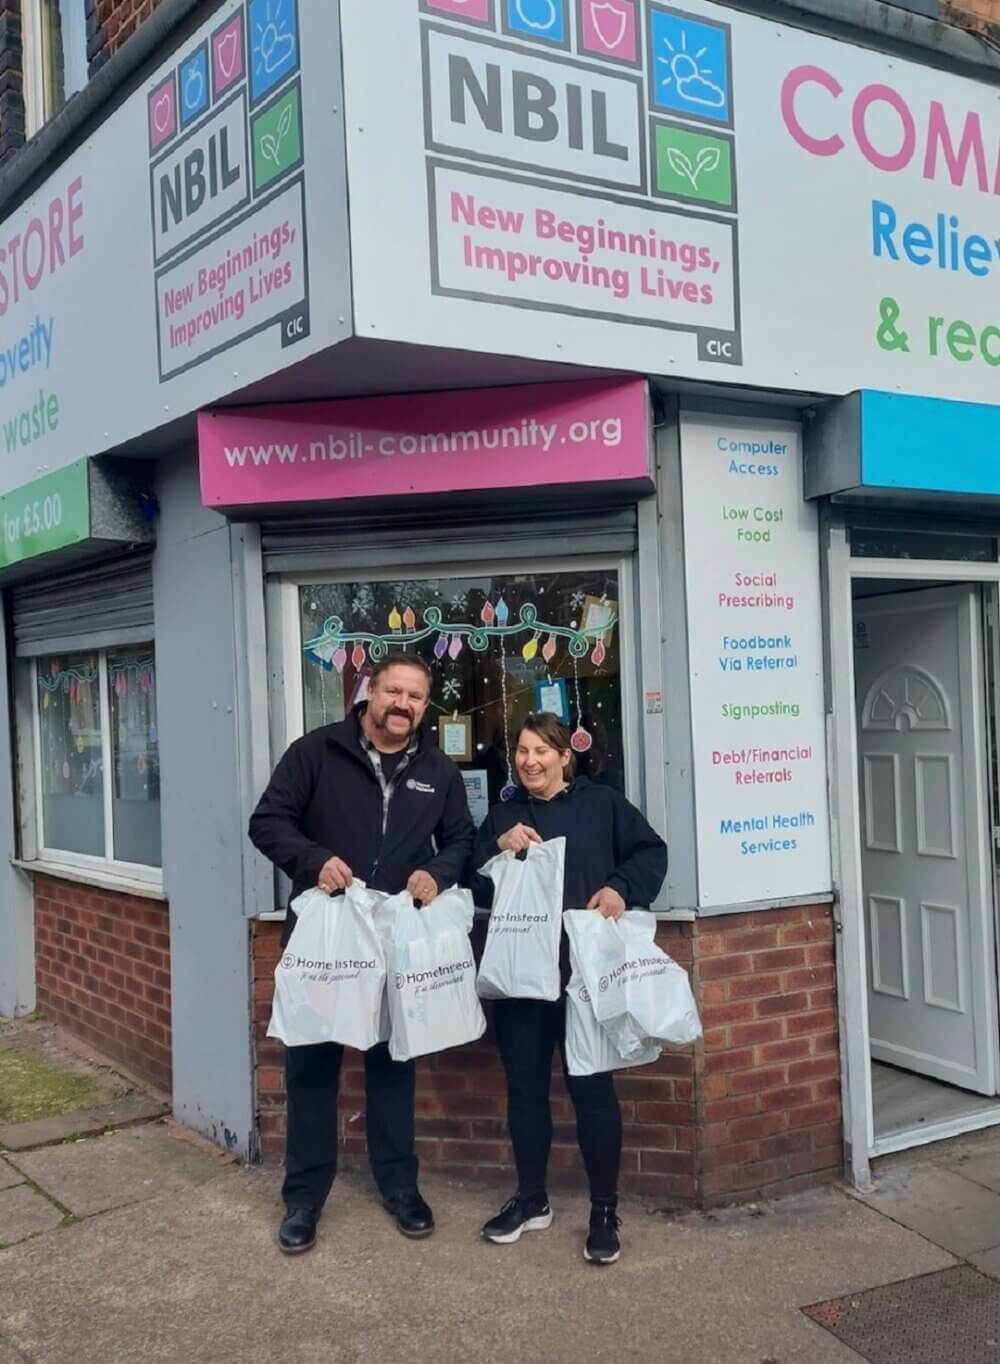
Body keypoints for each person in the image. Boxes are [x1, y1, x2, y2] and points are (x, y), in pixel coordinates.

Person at [249, 652, 475, 1255]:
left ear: (426, 707)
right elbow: (266, 822)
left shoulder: (437, 770)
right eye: (393, 692)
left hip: (393, 937)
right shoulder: (316, 752)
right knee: (312, 1068)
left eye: (416, 697)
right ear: (368, 693)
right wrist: (313, 860)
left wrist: (436, 871)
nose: (403, 705)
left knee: (392, 1065)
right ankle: (303, 1199)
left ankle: (401, 1187)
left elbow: (461, 840)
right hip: (326, 935)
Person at [471, 712, 667, 1267]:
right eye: (522, 751)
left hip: (583, 977)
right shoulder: (504, 814)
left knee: (593, 1093)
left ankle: (604, 1211)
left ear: (565, 757)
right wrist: (497, 845)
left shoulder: (601, 805)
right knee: (525, 1092)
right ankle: (531, 1199)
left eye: (541, 751)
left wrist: (618, 890)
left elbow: (651, 852)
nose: (529, 761)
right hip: (520, 982)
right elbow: (468, 874)